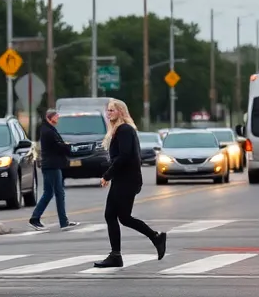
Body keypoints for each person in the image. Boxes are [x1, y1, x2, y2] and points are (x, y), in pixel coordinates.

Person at [94, 99, 166, 268]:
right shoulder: (119, 130)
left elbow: (124, 156)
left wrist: (107, 175)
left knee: (120, 217)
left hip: (127, 180)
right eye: (108, 110)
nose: (108, 113)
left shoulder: (125, 130)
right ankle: (116, 255)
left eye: (112, 110)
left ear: (120, 112)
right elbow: (120, 156)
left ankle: (155, 238)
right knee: (115, 216)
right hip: (123, 179)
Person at [29, 109, 79, 230]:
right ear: (49, 117)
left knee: (54, 193)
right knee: (54, 193)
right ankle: (36, 218)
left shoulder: (48, 129)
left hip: (52, 165)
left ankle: (62, 221)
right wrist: (68, 147)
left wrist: (65, 146)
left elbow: (58, 144)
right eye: (56, 117)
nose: (57, 119)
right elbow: (58, 146)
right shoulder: (48, 131)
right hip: (51, 166)